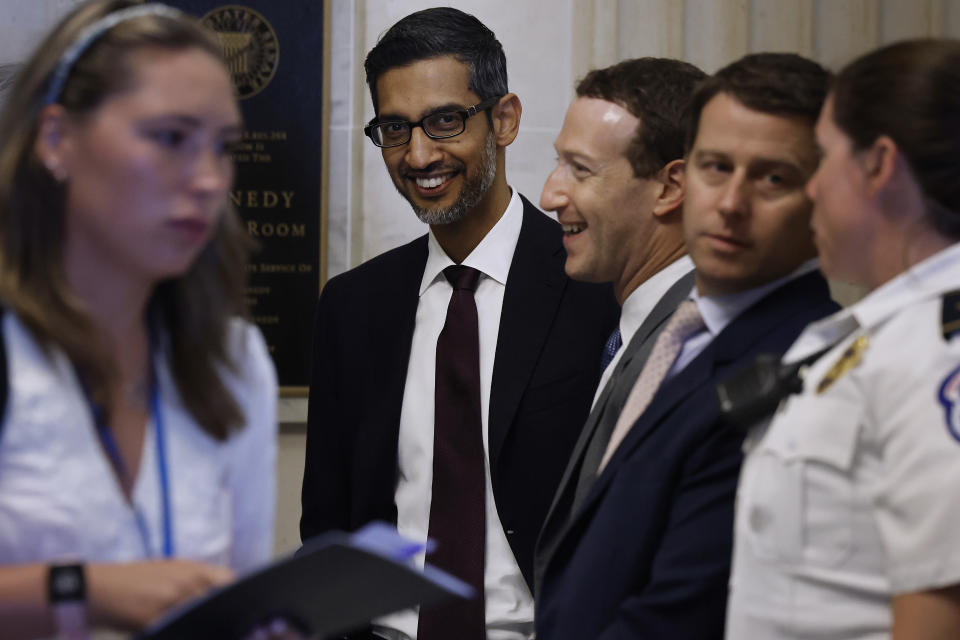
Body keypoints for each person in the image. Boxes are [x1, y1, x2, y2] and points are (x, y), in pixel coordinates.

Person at [300, 7, 617, 640]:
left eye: (445, 120)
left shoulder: (595, 288)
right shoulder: (352, 306)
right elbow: (327, 529)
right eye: (395, 128)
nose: (419, 154)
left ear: (505, 120)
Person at [533, 53, 840, 639]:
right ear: (682, 179)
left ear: (828, 193)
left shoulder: (808, 362)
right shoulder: (686, 335)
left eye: (773, 177)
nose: (730, 203)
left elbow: (686, 609)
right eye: (715, 166)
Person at [0, 2, 277, 638]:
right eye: (171, 138)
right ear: (56, 139)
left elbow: (242, 587)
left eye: (223, 147)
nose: (209, 180)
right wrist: (79, 591)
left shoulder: (231, 359)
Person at [726, 39, 960, 640]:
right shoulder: (879, 332)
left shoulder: (940, 349)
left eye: (825, 158)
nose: (811, 189)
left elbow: (940, 605)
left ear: (878, 164)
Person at [534, 55, 704, 593]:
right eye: (559, 164)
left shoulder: (691, 342)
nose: (550, 195)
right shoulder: (638, 325)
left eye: (580, 169)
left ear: (670, 186)